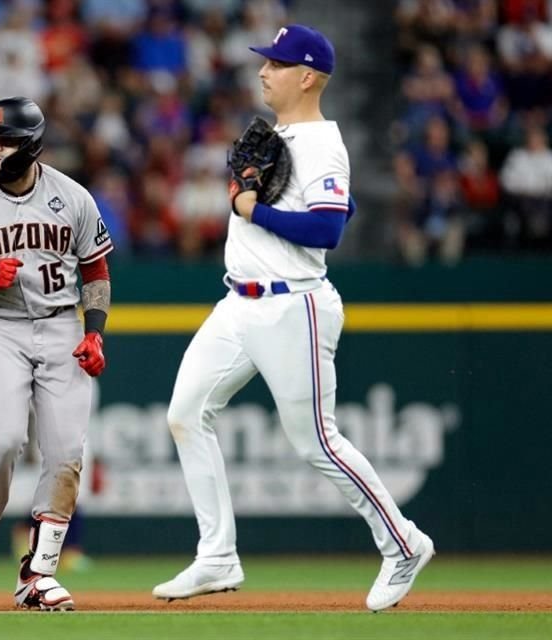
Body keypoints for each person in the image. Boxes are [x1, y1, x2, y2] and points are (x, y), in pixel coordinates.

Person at [152, 25, 435, 612]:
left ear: (306, 76)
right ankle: (217, 556)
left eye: (276, 64)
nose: (263, 71)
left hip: (293, 305)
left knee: (317, 443)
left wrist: (253, 208)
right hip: (238, 303)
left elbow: (329, 228)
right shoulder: (283, 137)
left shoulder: (323, 143)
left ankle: (403, 542)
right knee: (185, 414)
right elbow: (343, 205)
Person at [0, 96, 112, 611]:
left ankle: (39, 574)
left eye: (5, 141)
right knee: (5, 439)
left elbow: (96, 270)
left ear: (32, 147)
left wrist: (95, 330)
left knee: (67, 453)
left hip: (60, 324)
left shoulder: (73, 197)